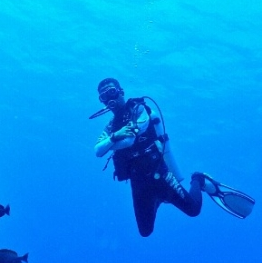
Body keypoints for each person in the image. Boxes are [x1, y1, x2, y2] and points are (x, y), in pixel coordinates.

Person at [92, 78, 254, 236]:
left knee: (193, 210)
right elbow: (97, 151)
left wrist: (109, 143)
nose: (109, 98)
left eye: (111, 92)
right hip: (138, 181)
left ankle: (199, 179)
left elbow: (129, 140)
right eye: (103, 96)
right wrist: (115, 136)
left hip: (159, 173)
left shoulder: (139, 110)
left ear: (121, 92)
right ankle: (159, 197)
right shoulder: (111, 126)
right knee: (145, 231)